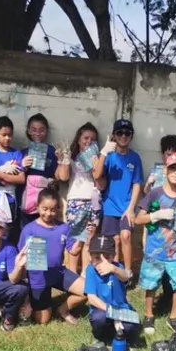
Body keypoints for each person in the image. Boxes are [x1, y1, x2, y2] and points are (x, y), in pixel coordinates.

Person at [134, 151, 176, 340]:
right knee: (151, 284)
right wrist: (156, 215)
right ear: (166, 170)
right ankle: (149, 315)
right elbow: (138, 219)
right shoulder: (155, 193)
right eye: (173, 168)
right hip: (155, 249)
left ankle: (174, 317)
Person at [17, 187, 89, 324]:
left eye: (53, 209)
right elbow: (21, 257)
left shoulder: (64, 228)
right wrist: (25, 284)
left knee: (88, 289)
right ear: (37, 207)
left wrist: (82, 235)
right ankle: (31, 301)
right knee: (42, 321)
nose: (49, 213)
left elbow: (74, 251)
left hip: (58, 272)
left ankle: (63, 309)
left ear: (58, 209)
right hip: (37, 277)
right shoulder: (29, 229)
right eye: (45, 209)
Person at [57, 123, 108, 273]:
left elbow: (102, 185)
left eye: (92, 139)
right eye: (85, 138)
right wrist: (65, 159)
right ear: (78, 139)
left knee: (89, 237)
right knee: (74, 238)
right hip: (76, 201)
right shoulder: (72, 158)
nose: (88, 141)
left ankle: (85, 273)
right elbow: (63, 177)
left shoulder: (99, 161)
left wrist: (95, 168)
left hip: (94, 202)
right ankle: (72, 273)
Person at [100, 119, 143, 281]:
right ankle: (114, 270)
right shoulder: (109, 156)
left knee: (125, 236)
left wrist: (131, 208)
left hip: (127, 207)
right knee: (114, 240)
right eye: (120, 133)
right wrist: (103, 153)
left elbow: (137, 183)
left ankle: (127, 273)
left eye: (127, 133)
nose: (123, 136)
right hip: (110, 205)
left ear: (131, 136)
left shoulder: (135, 158)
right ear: (114, 135)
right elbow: (98, 176)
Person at [84, 235, 142, 346]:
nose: (102, 262)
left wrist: (113, 269)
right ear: (90, 256)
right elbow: (91, 298)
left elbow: (125, 277)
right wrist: (111, 311)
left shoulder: (117, 267)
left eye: (107, 257)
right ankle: (99, 337)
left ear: (114, 256)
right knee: (98, 318)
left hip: (120, 308)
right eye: (97, 258)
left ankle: (127, 339)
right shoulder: (91, 270)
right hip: (102, 309)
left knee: (131, 325)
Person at [0, 116, 30, 244]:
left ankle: (4, 258)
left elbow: (20, 178)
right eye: (4, 135)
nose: (7, 138)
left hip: (8, 199)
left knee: (5, 230)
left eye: (10, 135)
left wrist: (0, 175)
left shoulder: (16, 154)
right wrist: (4, 172)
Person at [15, 113, 59, 243]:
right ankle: (24, 260)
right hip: (26, 201)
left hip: (46, 201)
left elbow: (58, 176)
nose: (37, 133)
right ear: (28, 131)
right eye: (34, 130)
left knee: (44, 230)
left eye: (41, 130)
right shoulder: (23, 153)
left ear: (46, 131)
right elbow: (18, 177)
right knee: (26, 230)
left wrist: (62, 159)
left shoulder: (53, 151)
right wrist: (24, 166)